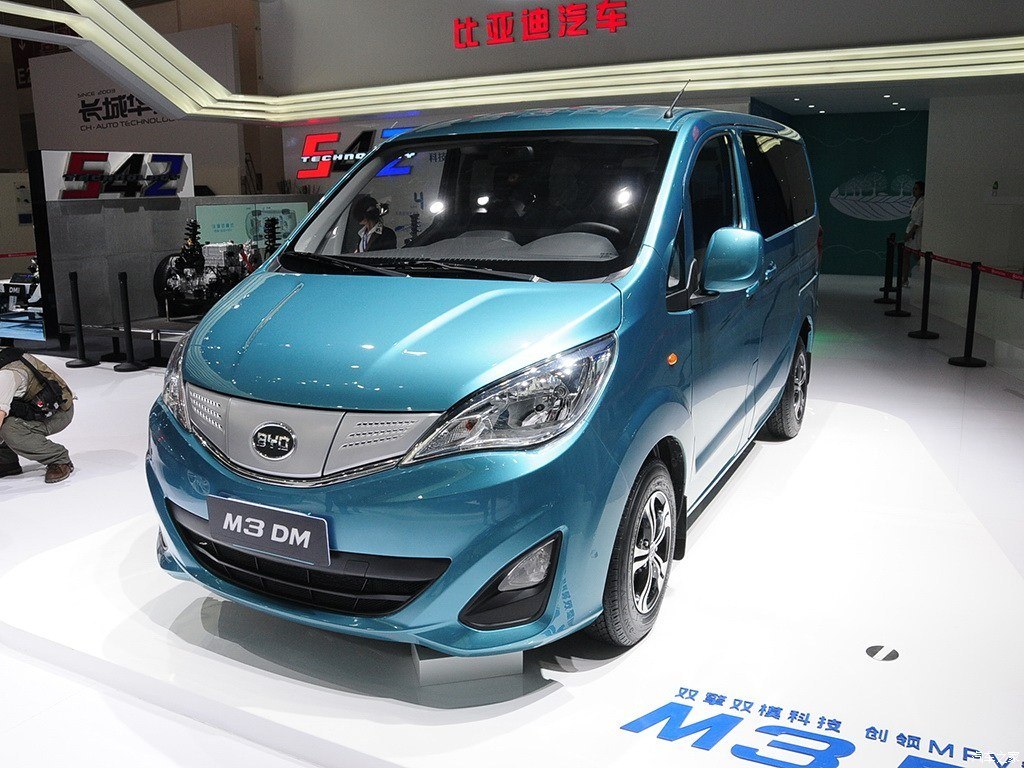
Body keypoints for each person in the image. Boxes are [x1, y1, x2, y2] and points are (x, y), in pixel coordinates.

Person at [0, 347, 75, 483]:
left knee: (9, 429)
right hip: (26, 409)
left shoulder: (5, 376)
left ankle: (58, 458)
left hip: (56, 411)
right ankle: (6, 461)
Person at [903, 180, 925, 287]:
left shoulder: (923, 202)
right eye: (913, 188)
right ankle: (904, 279)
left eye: (916, 189)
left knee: (917, 256)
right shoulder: (914, 201)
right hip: (910, 229)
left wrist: (910, 234)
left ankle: (921, 274)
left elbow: (918, 222)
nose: (914, 190)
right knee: (906, 255)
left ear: (921, 191)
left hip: (916, 233)